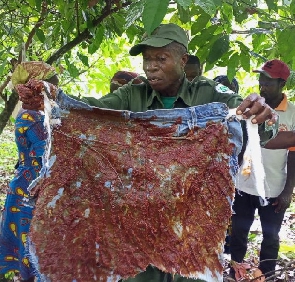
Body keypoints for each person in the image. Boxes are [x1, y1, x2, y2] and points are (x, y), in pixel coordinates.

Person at [46, 23, 278, 282]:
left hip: (192, 226)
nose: (150, 66)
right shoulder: (131, 95)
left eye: (161, 58)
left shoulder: (210, 93)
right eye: (147, 59)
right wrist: (51, 97)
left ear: (183, 60)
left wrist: (261, 113)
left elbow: (248, 116)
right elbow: (90, 112)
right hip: (139, 224)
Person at [230, 59, 295, 279]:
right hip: (244, 183)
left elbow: (293, 155)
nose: (262, 85)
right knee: (238, 231)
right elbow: (237, 143)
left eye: (268, 81)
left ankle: (266, 274)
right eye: (261, 79)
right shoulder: (250, 106)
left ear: (282, 84)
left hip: (274, 187)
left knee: (271, 236)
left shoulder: (292, 114)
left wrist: (287, 191)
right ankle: (235, 271)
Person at [0, 62, 60, 282]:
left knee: (29, 242)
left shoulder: (30, 113)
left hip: (26, 183)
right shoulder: (34, 117)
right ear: (37, 88)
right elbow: (46, 156)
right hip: (32, 187)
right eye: (51, 89)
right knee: (32, 244)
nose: (55, 94)